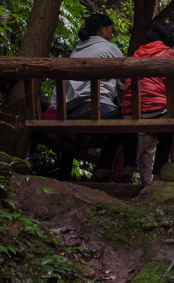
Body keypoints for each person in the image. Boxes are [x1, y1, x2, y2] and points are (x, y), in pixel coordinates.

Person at [45, 14, 139, 183]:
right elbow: (128, 74)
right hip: (97, 111)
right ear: (102, 29)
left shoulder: (76, 50)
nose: (112, 32)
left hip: (70, 115)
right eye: (111, 28)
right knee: (128, 123)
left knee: (117, 127)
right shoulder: (108, 48)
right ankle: (126, 174)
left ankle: (101, 175)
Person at [120, 22, 174, 184]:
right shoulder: (170, 54)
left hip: (129, 111)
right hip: (156, 110)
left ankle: (128, 172)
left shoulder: (137, 53)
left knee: (140, 131)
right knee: (169, 131)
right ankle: (159, 175)